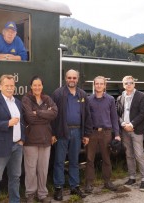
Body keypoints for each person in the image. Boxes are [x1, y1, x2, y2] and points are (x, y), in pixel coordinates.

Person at [51, 69, 92, 201]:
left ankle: (75, 186)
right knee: (59, 161)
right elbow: (52, 116)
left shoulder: (83, 94)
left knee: (75, 160)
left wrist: (86, 134)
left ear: (77, 79)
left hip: (77, 131)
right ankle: (58, 188)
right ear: (65, 78)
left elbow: (87, 116)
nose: (72, 80)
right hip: (62, 131)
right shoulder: (58, 93)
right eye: (69, 78)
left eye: (74, 78)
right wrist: (53, 133)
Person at [0, 74, 25, 203]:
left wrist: (22, 139)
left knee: (15, 178)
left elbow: (22, 123)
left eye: (12, 86)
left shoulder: (17, 102)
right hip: (1, 146)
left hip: (17, 146)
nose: (9, 88)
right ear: (0, 87)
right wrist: (8, 123)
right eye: (6, 85)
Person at [22, 76, 58, 203]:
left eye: (39, 85)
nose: (37, 87)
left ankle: (42, 194)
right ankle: (30, 194)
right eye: (34, 85)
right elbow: (29, 118)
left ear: (42, 86)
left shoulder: (47, 98)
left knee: (43, 168)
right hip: (31, 140)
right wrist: (45, 114)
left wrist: (38, 112)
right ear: (31, 86)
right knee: (30, 168)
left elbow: (54, 113)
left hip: (46, 139)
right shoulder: (26, 99)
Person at [85, 76, 121, 193]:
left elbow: (114, 118)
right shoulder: (88, 100)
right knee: (90, 159)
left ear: (105, 86)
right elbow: (85, 118)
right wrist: (85, 133)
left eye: (101, 84)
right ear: (94, 85)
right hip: (92, 133)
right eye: (97, 84)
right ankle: (89, 183)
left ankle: (107, 182)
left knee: (106, 158)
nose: (99, 86)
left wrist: (117, 134)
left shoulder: (110, 99)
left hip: (106, 133)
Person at [116, 76, 144, 191]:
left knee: (139, 154)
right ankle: (132, 176)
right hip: (125, 130)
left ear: (134, 84)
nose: (129, 85)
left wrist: (132, 124)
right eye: (126, 83)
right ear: (123, 85)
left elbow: (143, 113)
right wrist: (123, 124)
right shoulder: (120, 97)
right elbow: (118, 114)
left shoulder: (142, 96)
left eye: (131, 83)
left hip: (136, 130)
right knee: (129, 154)